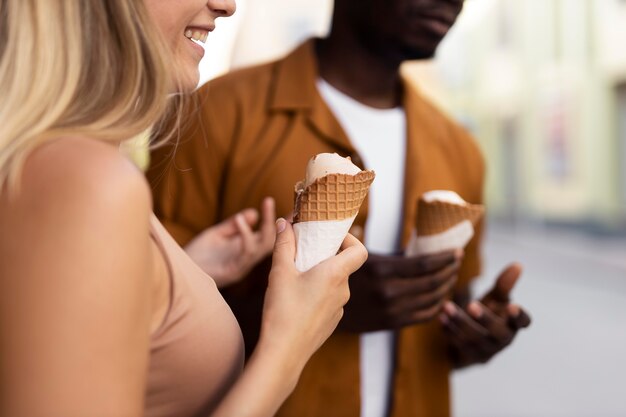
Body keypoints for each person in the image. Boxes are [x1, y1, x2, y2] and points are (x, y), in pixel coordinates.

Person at [148, 0, 532, 416]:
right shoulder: (213, 112)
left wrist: (474, 332)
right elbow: (144, 316)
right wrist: (312, 307)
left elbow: (450, 307)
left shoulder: (461, 149)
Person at [0, 1, 369, 417]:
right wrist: (288, 348)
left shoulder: (66, 167)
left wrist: (180, 273)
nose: (227, 5)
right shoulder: (89, 182)